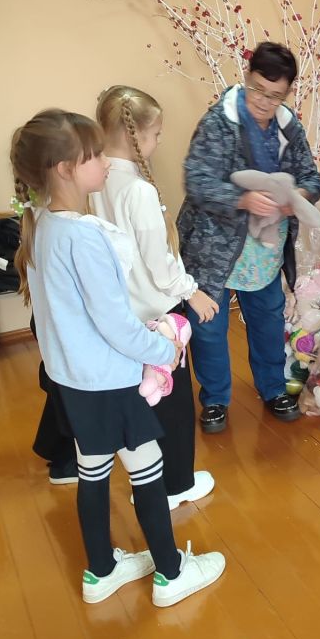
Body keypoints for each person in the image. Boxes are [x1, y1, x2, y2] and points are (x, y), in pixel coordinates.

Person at [11, 109, 225, 606]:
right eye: (93, 156)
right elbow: (115, 323)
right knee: (147, 469)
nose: (105, 162)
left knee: (93, 469)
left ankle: (101, 571)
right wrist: (165, 349)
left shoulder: (41, 223)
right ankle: (171, 574)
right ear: (65, 169)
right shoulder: (84, 236)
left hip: (73, 381)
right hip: (109, 381)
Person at [177, 41, 320, 433]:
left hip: (265, 247)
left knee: (267, 321)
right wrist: (241, 199)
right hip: (214, 246)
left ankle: (273, 388)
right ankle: (215, 399)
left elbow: (312, 178)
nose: (263, 101)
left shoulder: (288, 126)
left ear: (287, 93)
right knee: (209, 327)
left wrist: (297, 198)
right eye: (258, 89)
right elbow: (196, 181)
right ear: (247, 77)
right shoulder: (219, 122)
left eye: (275, 95)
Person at [92, 85, 219, 510]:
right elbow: (159, 262)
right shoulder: (138, 190)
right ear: (137, 136)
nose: (159, 141)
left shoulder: (93, 179)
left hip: (120, 315)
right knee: (173, 402)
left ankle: (147, 482)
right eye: (157, 134)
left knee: (142, 400)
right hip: (157, 313)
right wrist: (192, 291)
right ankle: (175, 485)